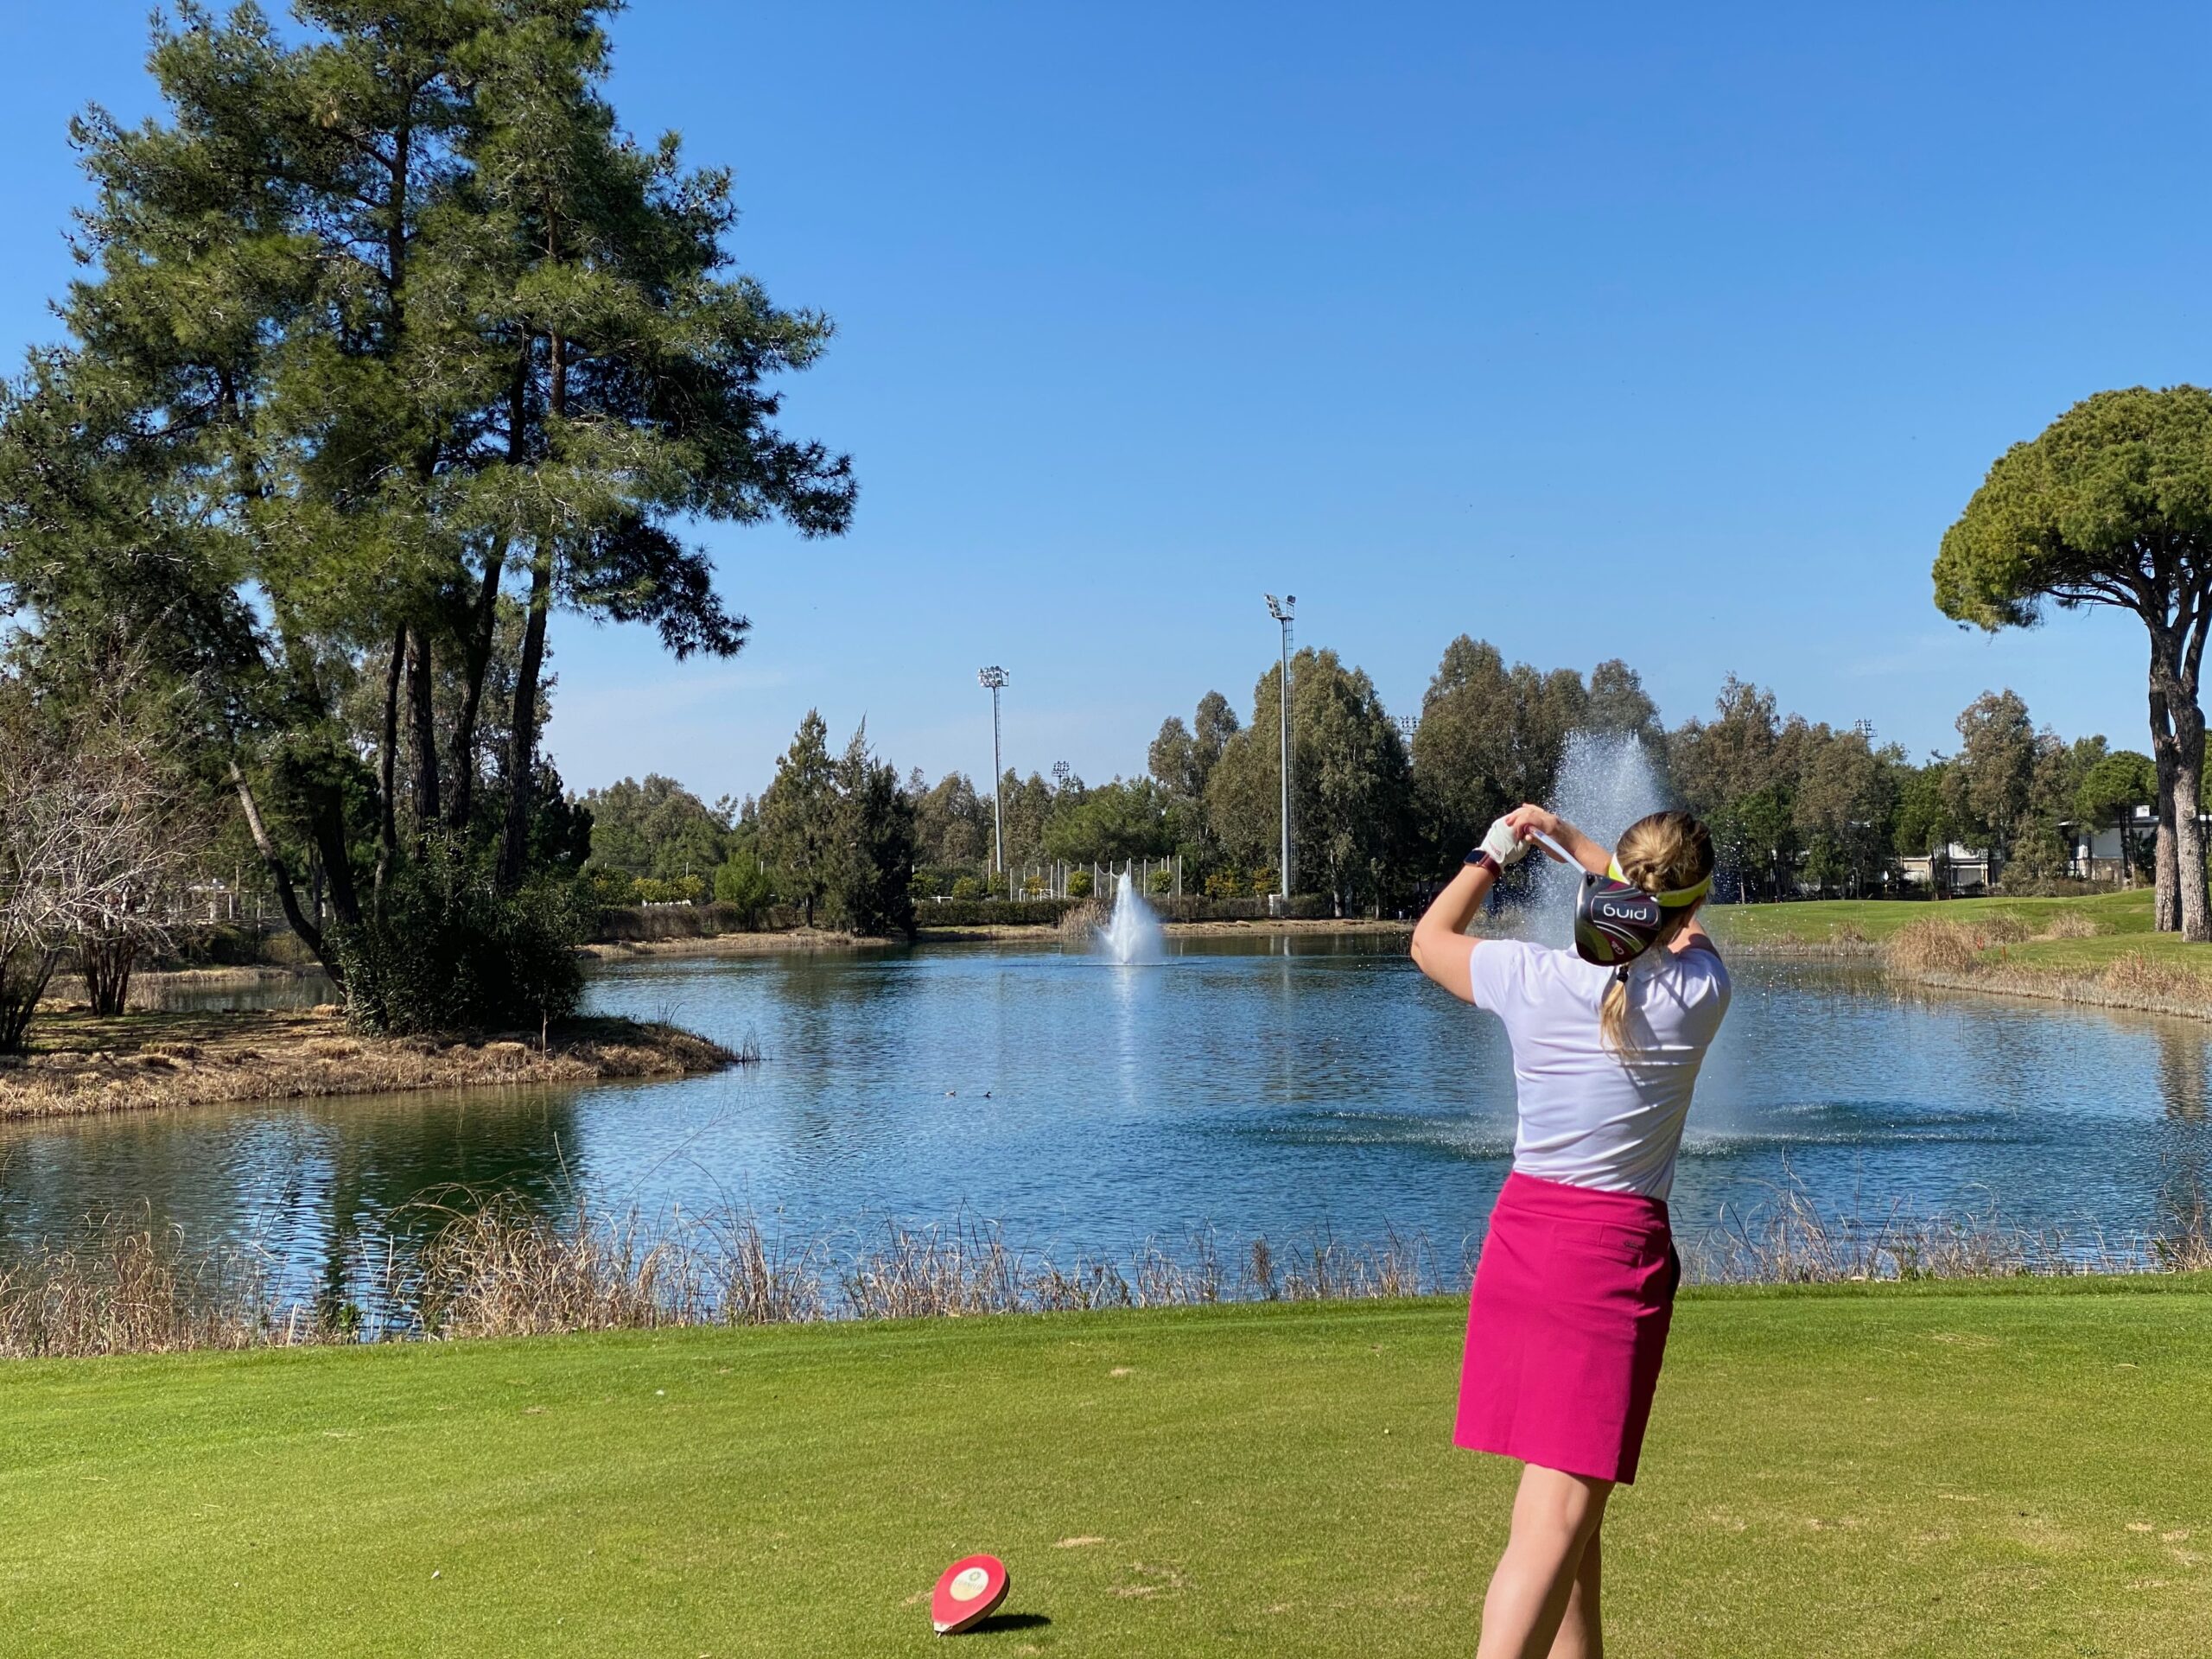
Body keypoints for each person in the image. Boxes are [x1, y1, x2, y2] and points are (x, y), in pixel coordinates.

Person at [1410, 803, 1729, 1659]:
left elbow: (1429, 938)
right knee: (1556, 1518)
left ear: (1618, 889)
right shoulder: (1702, 989)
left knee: (1572, 1529)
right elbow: (1667, 923)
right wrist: (1591, 853)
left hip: (1522, 1244)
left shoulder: (1530, 974)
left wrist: (1496, 853)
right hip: (1608, 1261)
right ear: (1693, 904)